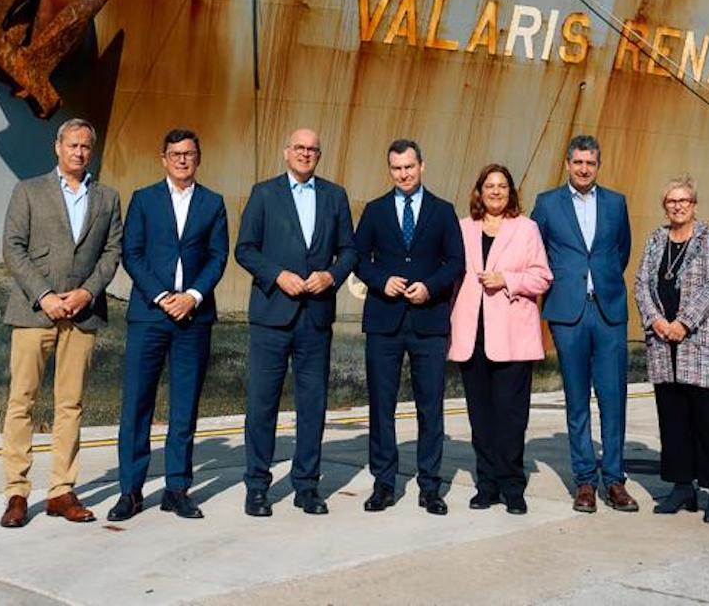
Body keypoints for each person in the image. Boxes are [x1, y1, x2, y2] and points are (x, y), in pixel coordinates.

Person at [0, 118, 123, 528]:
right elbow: (13, 247)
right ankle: (17, 492)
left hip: (82, 315)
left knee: (70, 404)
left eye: (86, 146)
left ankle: (61, 491)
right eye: (73, 145)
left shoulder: (107, 198)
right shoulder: (28, 191)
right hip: (34, 312)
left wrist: (87, 293)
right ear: (58, 147)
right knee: (22, 401)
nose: (79, 152)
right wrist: (45, 295)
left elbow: (112, 252)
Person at [234, 128, 357, 517]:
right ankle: (257, 486)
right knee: (262, 404)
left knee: (313, 404)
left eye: (312, 149)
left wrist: (331, 276)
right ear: (286, 152)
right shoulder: (264, 194)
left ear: (319, 155)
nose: (305, 153)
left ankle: (307, 486)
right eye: (299, 148)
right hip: (272, 316)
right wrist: (277, 275)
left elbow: (350, 250)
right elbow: (245, 249)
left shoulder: (335, 196)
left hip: (315, 316)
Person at [109, 128, 229, 522]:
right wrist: (162, 296)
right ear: (163, 158)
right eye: (175, 154)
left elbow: (218, 256)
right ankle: (131, 491)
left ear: (198, 158)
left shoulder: (213, 202)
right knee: (136, 403)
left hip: (193, 317)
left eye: (188, 153)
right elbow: (132, 253)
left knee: (185, 406)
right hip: (150, 315)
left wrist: (192, 296)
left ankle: (177, 489)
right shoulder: (143, 199)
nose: (182, 159)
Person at [355, 138, 463, 515]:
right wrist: (381, 280)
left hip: (428, 321)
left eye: (409, 167)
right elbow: (357, 258)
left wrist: (430, 287)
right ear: (390, 170)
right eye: (397, 168)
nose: (403, 174)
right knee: (381, 406)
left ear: (422, 166)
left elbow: (456, 262)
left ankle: (430, 486)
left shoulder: (443, 211)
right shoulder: (375, 210)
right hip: (384, 320)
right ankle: (384, 483)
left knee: (430, 407)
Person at [532, 134, 637, 514]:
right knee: (577, 400)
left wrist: (600, 281)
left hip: (608, 311)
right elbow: (537, 251)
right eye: (578, 162)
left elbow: (621, 251)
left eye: (590, 163)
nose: (583, 169)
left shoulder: (616, 203)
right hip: (568, 313)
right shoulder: (547, 204)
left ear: (598, 165)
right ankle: (585, 482)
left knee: (613, 398)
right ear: (567, 163)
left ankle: (615, 480)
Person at [448, 164, 551, 516]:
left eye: (502, 186)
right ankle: (487, 485)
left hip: (511, 336)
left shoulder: (526, 228)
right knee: (480, 418)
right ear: (479, 191)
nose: (495, 191)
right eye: (489, 186)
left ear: (511, 192)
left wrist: (507, 279)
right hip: (472, 334)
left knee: (511, 417)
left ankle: (512, 486)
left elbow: (542, 277)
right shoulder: (463, 228)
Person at [633, 177, 709, 523]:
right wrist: (656, 320)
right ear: (665, 206)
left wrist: (684, 322)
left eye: (684, 201)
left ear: (694, 205)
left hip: (700, 344)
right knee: (673, 419)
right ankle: (681, 487)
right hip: (664, 345)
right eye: (671, 201)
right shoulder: (656, 240)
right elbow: (641, 283)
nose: (677, 206)